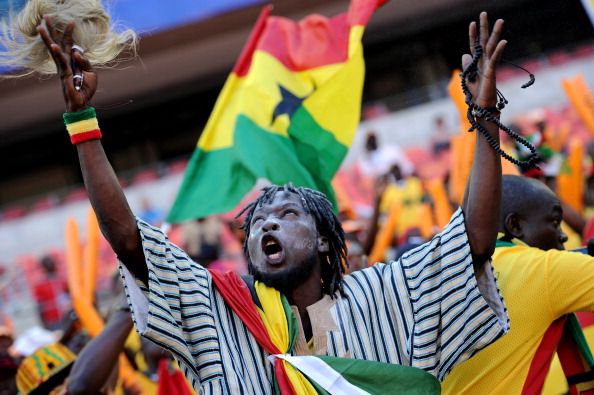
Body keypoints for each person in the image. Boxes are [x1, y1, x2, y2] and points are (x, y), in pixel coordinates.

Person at [36, 11, 509, 393]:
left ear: (326, 241)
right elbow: (128, 239)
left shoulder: (386, 293)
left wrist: (484, 116)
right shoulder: (217, 313)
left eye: (286, 215)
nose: (265, 225)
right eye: (258, 220)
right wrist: (83, 125)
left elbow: (473, 241)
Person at [442, 175, 594, 394]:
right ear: (515, 225)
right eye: (554, 222)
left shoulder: (454, 269)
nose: (563, 236)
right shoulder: (544, 270)